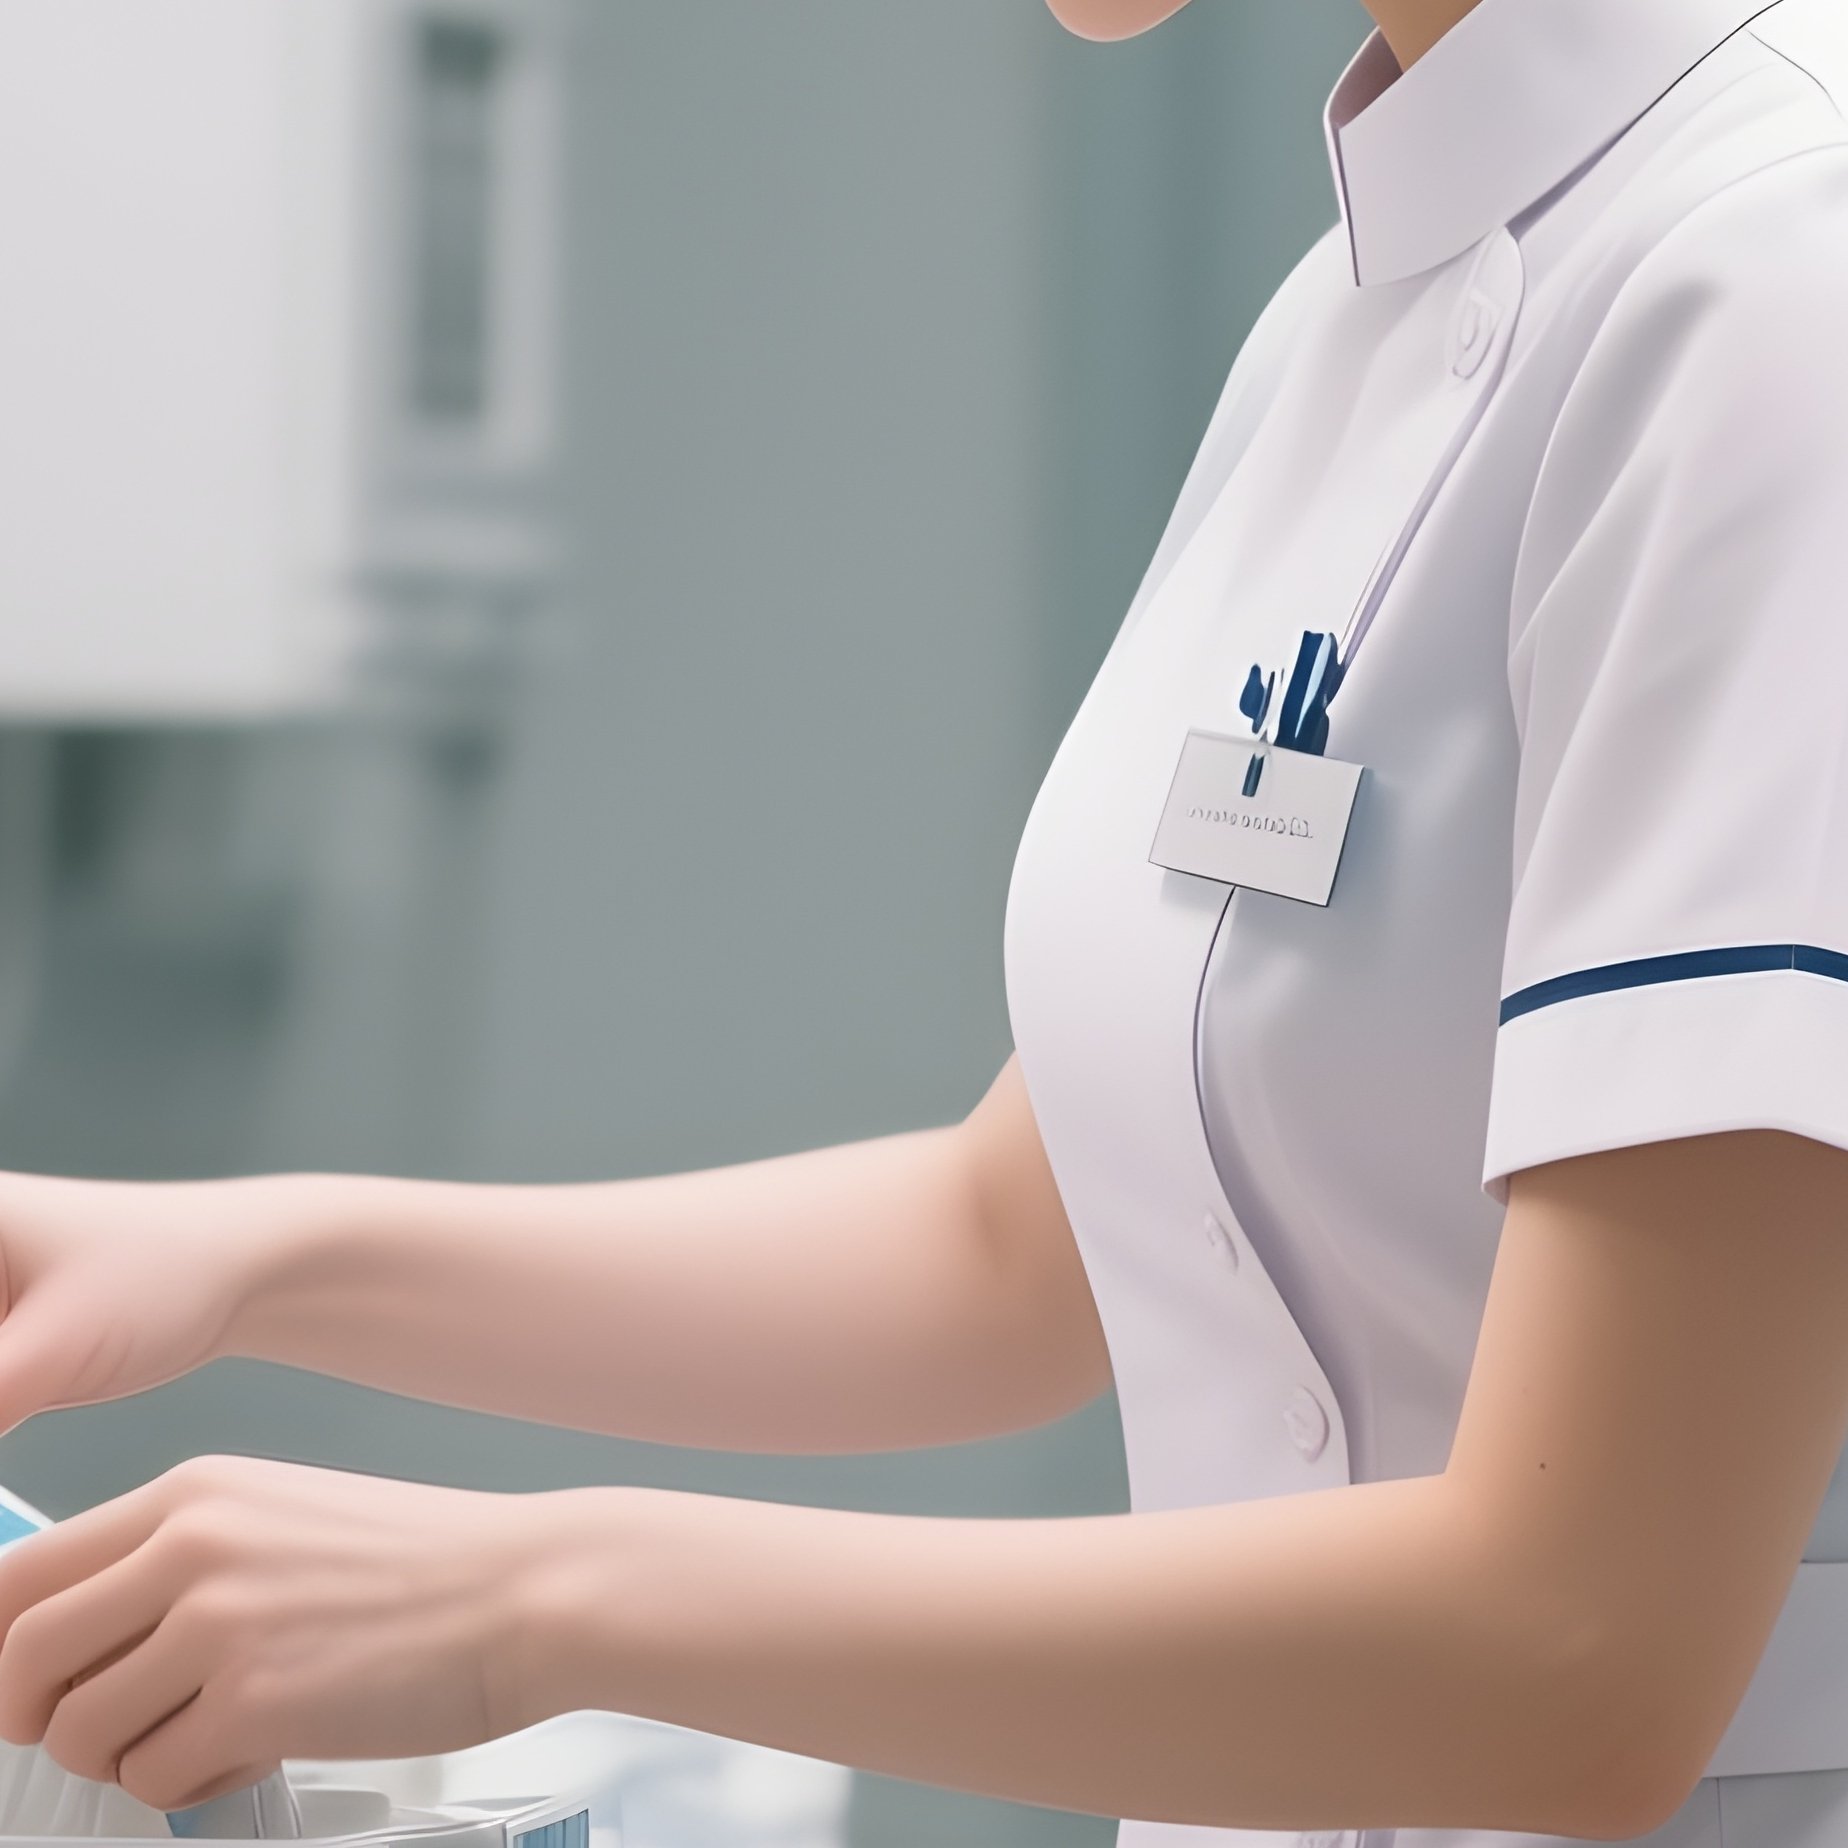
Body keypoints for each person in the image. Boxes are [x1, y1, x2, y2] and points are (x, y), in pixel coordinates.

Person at [3, 0, 1848, 1842]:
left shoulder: (1774, 276)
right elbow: (1018, 1254)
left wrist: (527, 1601)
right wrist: (237, 1262)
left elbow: (1576, 1652)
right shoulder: (1365, 297)